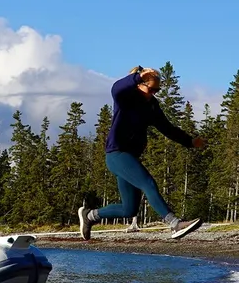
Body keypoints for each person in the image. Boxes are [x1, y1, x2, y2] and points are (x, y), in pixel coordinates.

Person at [78, 66, 206, 240]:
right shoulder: (125, 98)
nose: (153, 93)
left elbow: (167, 128)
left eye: (157, 90)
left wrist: (189, 142)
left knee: (129, 209)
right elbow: (116, 88)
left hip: (129, 157)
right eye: (151, 89)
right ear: (139, 84)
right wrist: (137, 77)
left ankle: (89, 216)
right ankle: (174, 223)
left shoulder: (151, 106)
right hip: (117, 154)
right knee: (148, 183)